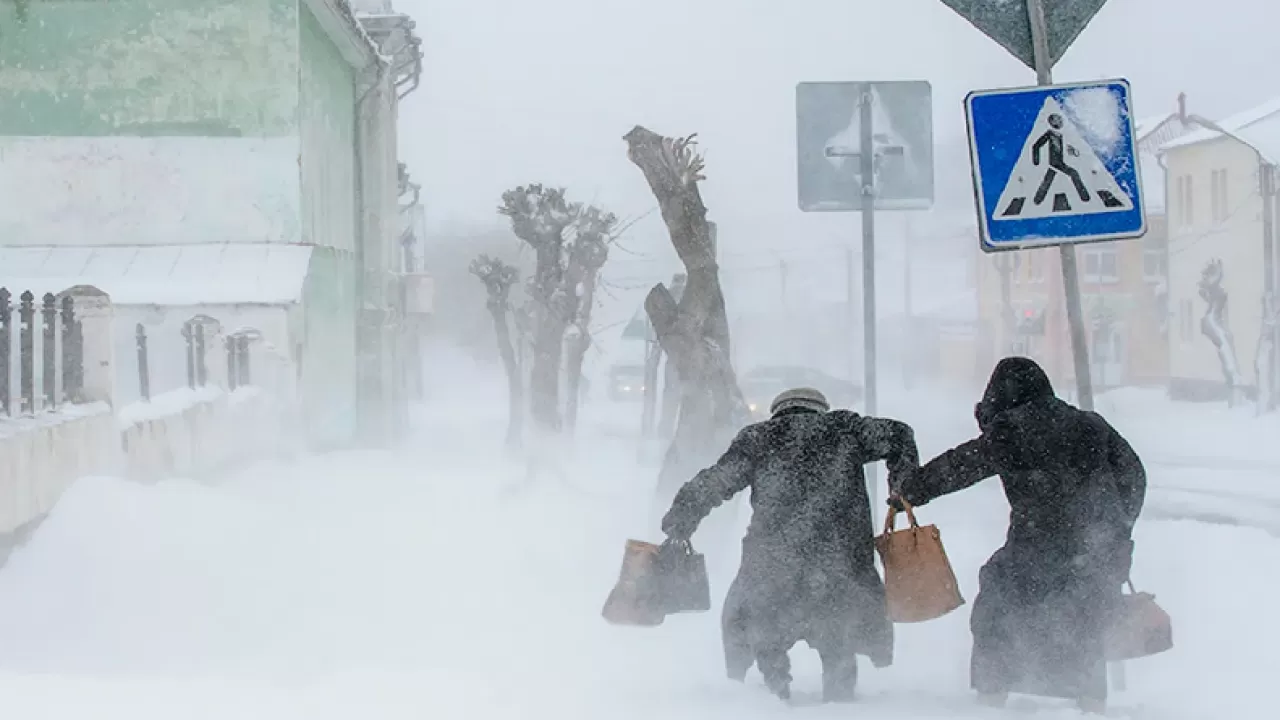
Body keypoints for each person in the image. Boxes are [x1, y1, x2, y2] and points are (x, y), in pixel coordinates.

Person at [889, 357, 1146, 714]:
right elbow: (1134, 475)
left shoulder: (1014, 428)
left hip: (1038, 542)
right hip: (1094, 548)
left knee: (999, 601)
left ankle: (992, 696)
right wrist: (1115, 527)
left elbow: (962, 465)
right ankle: (1089, 700)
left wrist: (911, 490)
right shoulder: (1091, 424)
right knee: (1084, 614)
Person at [660, 387, 918, 703]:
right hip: (839, 563)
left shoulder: (760, 437)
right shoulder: (847, 430)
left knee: (764, 631)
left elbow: (716, 481)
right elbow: (900, 434)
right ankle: (840, 700)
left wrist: (681, 519)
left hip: (773, 565)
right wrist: (902, 486)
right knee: (838, 640)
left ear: (778, 411)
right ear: (820, 410)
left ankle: (775, 695)